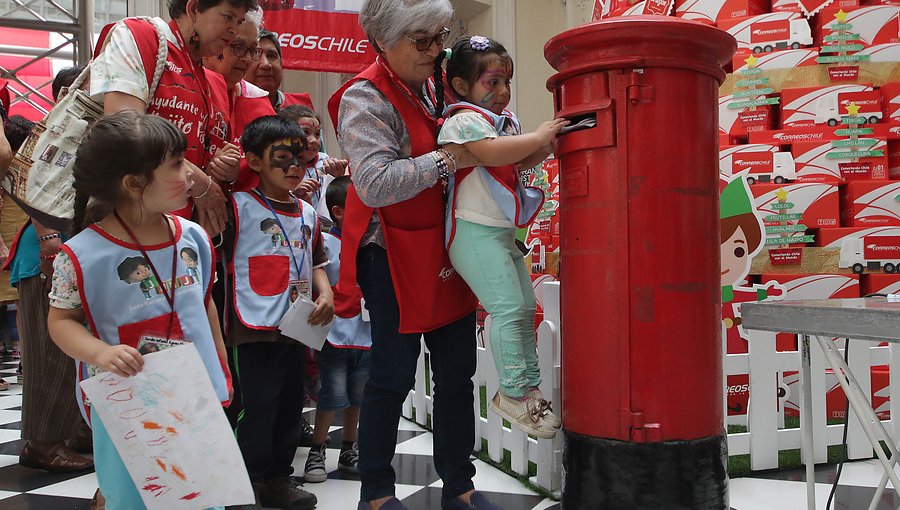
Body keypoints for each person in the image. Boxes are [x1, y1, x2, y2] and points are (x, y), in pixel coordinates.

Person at [329, 1, 500, 508]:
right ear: (383, 42)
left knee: (456, 376)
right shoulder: (364, 98)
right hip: (393, 255)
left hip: (449, 245)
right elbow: (377, 184)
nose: (436, 50)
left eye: (440, 36)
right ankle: (377, 491)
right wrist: (451, 158)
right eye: (420, 41)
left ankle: (460, 485)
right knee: (392, 376)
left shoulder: (436, 82)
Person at [46, 111, 232, 508]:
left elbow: (203, 306)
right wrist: (100, 353)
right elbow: (61, 321)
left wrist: (219, 363)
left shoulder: (192, 237)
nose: (190, 175)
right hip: (128, 407)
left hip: (195, 398)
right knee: (135, 497)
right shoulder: (81, 256)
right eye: (177, 164)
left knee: (203, 496)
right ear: (133, 183)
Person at [440, 36, 566, 438]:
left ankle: (529, 389)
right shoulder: (460, 120)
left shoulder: (504, 121)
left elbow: (518, 157)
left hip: (501, 232)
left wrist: (548, 146)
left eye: (506, 82)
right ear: (461, 86)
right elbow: (493, 154)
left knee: (526, 307)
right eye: (491, 82)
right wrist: (542, 135)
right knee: (508, 309)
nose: (502, 92)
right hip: (473, 231)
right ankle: (513, 394)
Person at [227, 115, 333, 510]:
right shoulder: (236, 207)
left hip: (296, 327)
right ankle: (243, 481)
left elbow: (316, 260)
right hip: (252, 329)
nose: (293, 167)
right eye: (282, 157)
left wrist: (325, 293)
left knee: (291, 405)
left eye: (301, 159)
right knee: (255, 406)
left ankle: (278, 477)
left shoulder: (307, 212)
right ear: (254, 161)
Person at [90, 0, 258, 237]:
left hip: (175, 232)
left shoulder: (206, 76)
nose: (234, 29)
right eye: (228, 17)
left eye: (239, 21)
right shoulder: (140, 36)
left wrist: (221, 169)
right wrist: (202, 184)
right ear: (193, 9)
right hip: (125, 227)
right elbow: (124, 129)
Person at [2, 75, 94, 471]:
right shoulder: (57, 132)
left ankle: (72, 430)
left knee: (73, 350)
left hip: (72, 248)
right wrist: (49, 238)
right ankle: (42, 444)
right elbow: (26, 185)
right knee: (50, 351)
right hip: (48, 250)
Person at [302, 176, 371, 483]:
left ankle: (349, 447)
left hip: (366, 335)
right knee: (332, 395)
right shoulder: (326, 243)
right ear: (339, 212)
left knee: (358, 395)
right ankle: (317, 449)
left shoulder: (371, 244)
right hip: (333, 335)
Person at [277, 105, 348, 227]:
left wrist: (337, 180)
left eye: (317, 134)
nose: (314, 140)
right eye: (305, 132)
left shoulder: (326, 162)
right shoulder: (278, 166)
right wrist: (291, 191)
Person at [246, 30, 313, 111]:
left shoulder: (300, 106)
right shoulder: (230, 106)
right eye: (256, 55)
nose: (266, 64)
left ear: (281, 67)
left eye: (271, 56)